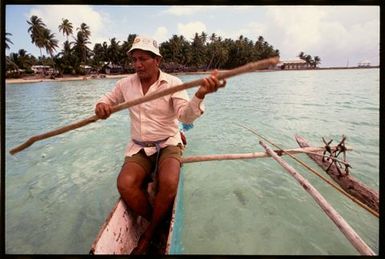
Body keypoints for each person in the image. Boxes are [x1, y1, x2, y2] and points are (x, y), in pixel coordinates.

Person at [94, 35, 226, 254]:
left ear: (157, 60)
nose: (137, 64)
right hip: (139, 146)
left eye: (143, 59)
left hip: (168, 142)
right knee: (125, 184)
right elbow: (107, 99)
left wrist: (200, 94)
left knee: (169, 181)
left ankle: (149, 233)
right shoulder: (125, 84)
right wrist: (101, 106)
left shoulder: (173, 83)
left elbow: (185, 117)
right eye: (134, 59)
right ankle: (157, 223)